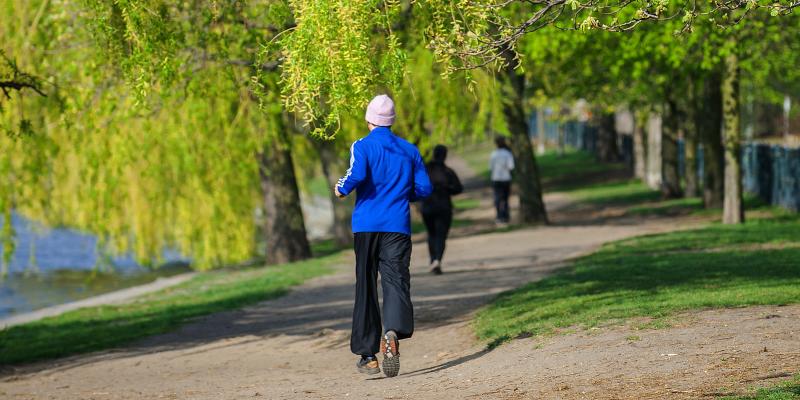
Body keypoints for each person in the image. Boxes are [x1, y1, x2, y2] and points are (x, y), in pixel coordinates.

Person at [334, 94, 432, 378]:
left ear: (368, 120)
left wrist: (340, 189)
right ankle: (393, 331)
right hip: (397, 226)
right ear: (392, 121)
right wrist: (404, 193)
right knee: (396, 281)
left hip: (366, 225)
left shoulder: (362, 145)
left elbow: (356, 174)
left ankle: (368, 355)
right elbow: (424, 188)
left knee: (365, 284)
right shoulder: (409, 149)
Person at [421, 145, 463, 275]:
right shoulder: (448, 172)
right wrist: (446, 188)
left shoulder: (425, 170)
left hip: (427, 207)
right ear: (444, 155)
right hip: (444, 207)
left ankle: (433, 259)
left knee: (431, 234)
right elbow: (458, 188)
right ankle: (437, 260)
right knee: (441, 235)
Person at [489, 136, 514, 224]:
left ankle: (499, 216)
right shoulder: (507, 153)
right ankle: (505, 216)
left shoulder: (493, 154)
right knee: (505, 198)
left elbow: (491, 167)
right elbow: (511, 167)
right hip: (506, 178)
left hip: (496, 179)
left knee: (497, 198)